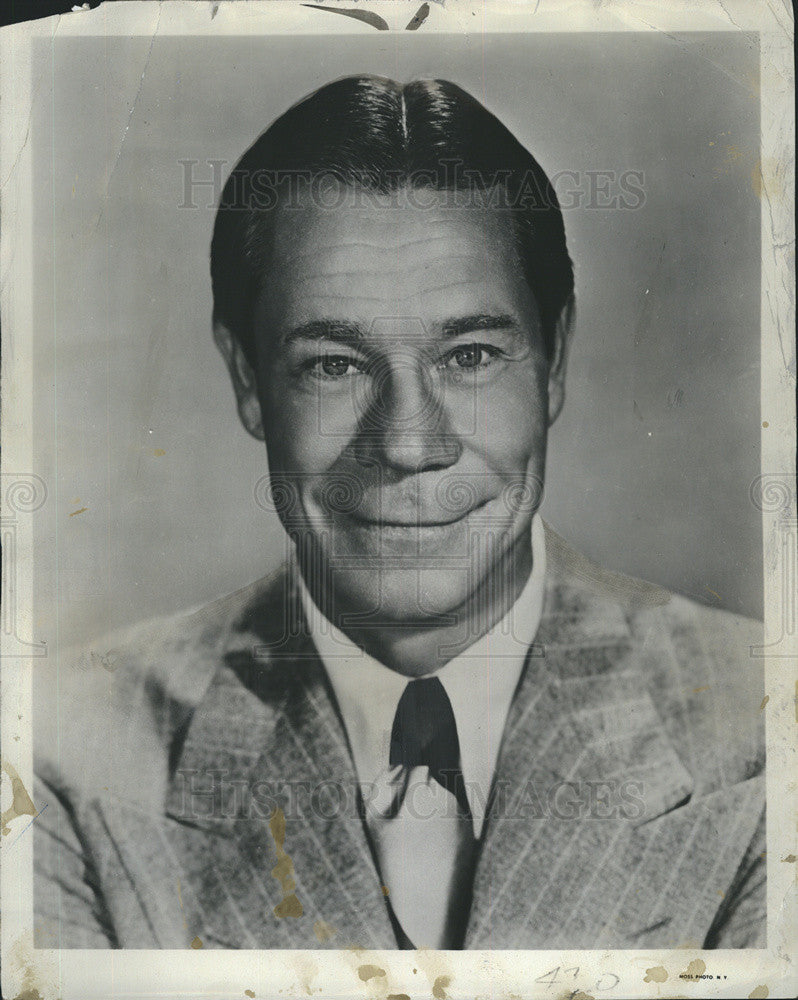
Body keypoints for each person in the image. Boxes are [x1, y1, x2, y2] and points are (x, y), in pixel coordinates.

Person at [34, 75, 765, 951]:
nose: (410, 443)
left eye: (470, 355)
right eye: (333, 365)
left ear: (555, 361)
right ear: (247, 380)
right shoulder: (63, 757)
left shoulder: (766, 737)